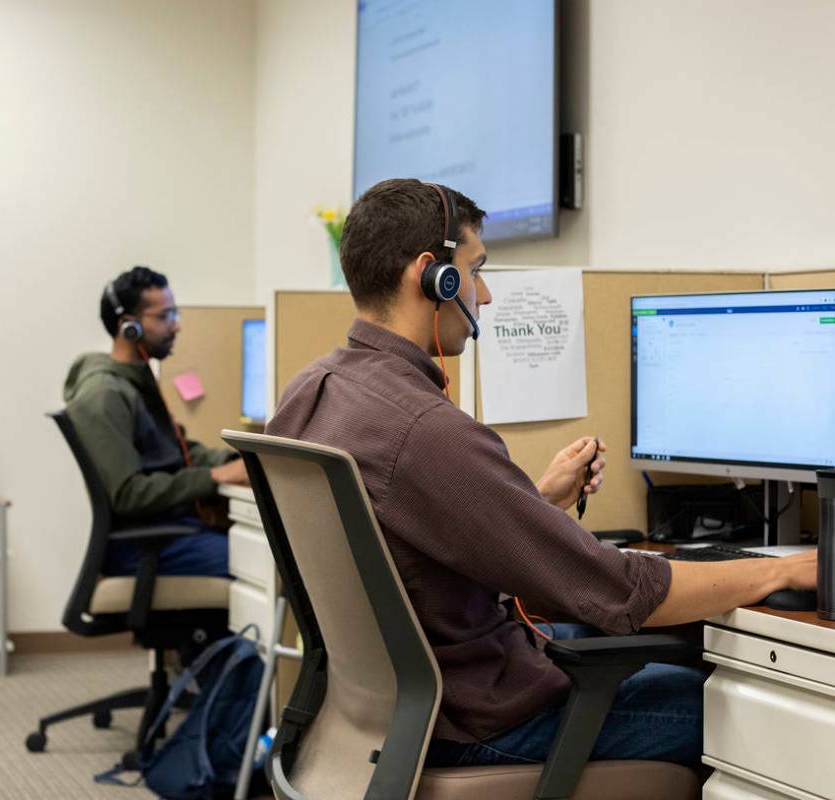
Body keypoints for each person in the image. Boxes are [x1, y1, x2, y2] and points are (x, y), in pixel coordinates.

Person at [265, 178, 816, 768]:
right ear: (431, 276)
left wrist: (537, 503)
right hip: (479, 721)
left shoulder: (313, 391)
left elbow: (415, 551)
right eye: (475, 272)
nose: (485, 296)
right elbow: (620, 593)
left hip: (386, 716)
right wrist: (778, 571)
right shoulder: (424, 429)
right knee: (731, 701)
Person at [63, 266, 249, 579]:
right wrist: (215, 477)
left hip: (170, 530)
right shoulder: (104, 394)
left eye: (174, 314)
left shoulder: (134, 382)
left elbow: (178, 452)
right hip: (145, 545)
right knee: (265, 563)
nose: (175, 327)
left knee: (267, 550)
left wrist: (237, 462)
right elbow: (128, 494)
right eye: (164, 317)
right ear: (128, 327)